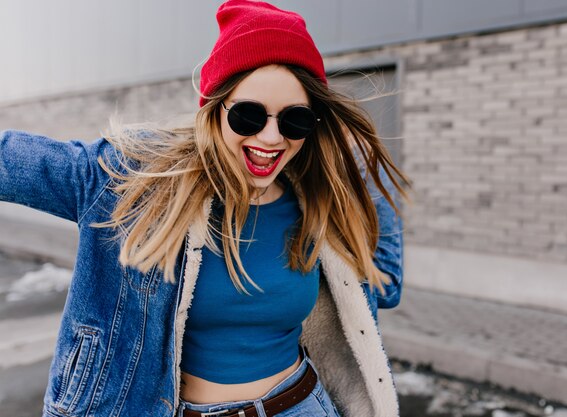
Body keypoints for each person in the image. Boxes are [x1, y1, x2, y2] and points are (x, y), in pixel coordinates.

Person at [0, 1, 408, 416]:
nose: (271, 137)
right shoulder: (131, 182)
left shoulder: (319, 204)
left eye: (294, 120)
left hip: (302, 405)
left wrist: (356, 166)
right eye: (249, 115)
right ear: (214, 111)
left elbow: (385, 284)